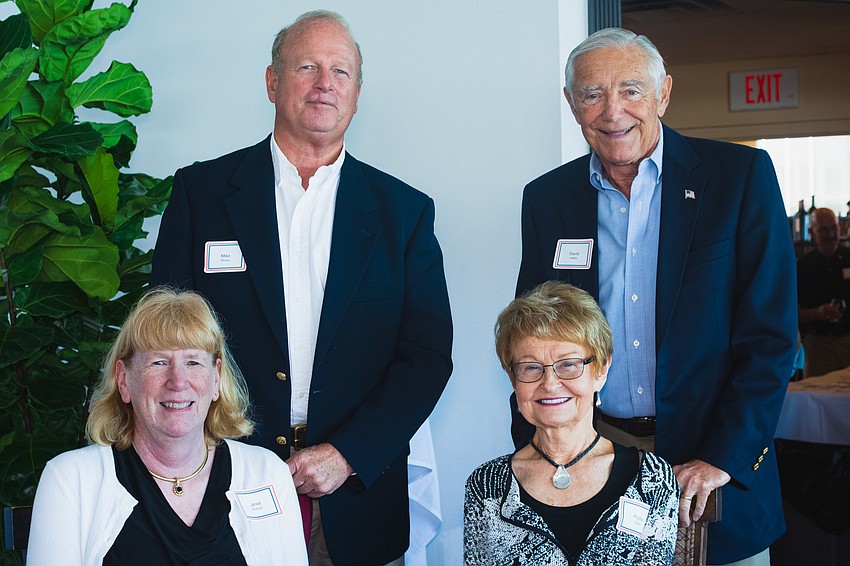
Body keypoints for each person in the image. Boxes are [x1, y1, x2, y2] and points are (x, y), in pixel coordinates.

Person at [149, 10, 453, 565]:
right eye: (307, 66)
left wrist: (348, 455)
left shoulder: (404, 213)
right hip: (218, 487)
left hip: (352, 501)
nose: (323, 84)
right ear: (272, 82)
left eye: (340, 72)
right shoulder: (202, 194)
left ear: (357, 94)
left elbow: (427, 357)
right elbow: (163, 341)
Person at [513, 28, 797, 565]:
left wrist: (723, 457)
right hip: (593, 465)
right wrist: (538, 452)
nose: (612, 110)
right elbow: (536, 340)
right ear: (572, 104)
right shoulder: (547, 199)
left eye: (631, 90)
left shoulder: (737, 178)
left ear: (663, 93)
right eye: (592, 94)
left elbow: (771, 339)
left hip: (712, 475)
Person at [27, 288, 308, 565]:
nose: (178, 381)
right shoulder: (69, 481)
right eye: (158, 362)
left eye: (193, 362)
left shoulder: (267, 473)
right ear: (123, 381)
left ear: (216, 379)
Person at [465, 281, 678, 565]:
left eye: (568, 364)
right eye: (531, 367)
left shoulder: (651, 479)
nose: (550, 384)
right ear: (514, 380)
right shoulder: (487, 486)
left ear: (601, 371)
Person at [797, 207, 850, 377]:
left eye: (833, 228)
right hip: (817, 347)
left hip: (848, 342)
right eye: (823, 230)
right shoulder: (803, 267)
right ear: (812, 232)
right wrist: (817, 313)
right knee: (816, 398)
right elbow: (792, 315)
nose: (830, 234)